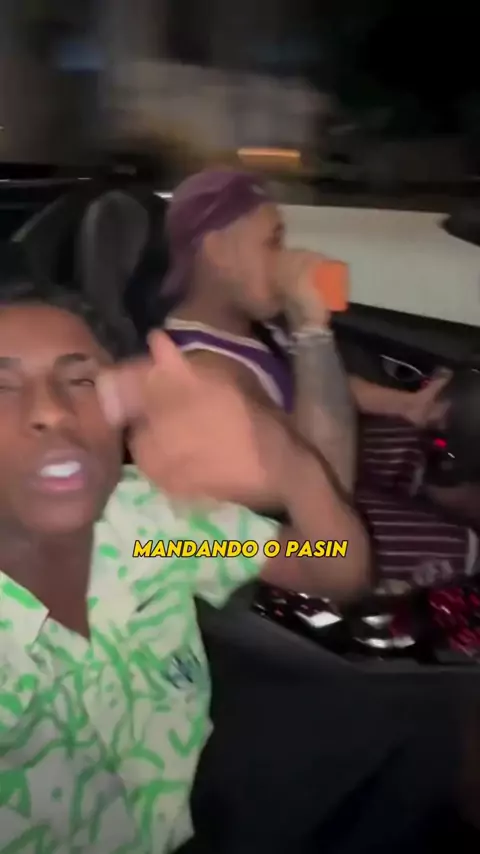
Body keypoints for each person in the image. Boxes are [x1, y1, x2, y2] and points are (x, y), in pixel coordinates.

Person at [0, 249, 369, 853]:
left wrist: (287, 460)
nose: (50, 411)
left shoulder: (151, 527)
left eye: (81, 380)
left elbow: (336, 565)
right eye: (2, 386)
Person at [162, 168, 478, 589]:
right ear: (219, 252)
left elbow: (321, 388)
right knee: (463, 548)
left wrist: (408, 406)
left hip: (320, 475)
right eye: (272, 243)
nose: (285, 256)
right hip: (298, 531)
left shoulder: (247, 325)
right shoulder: (207, 372)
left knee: (423, 451)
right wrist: (311, 329)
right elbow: (326, 482)